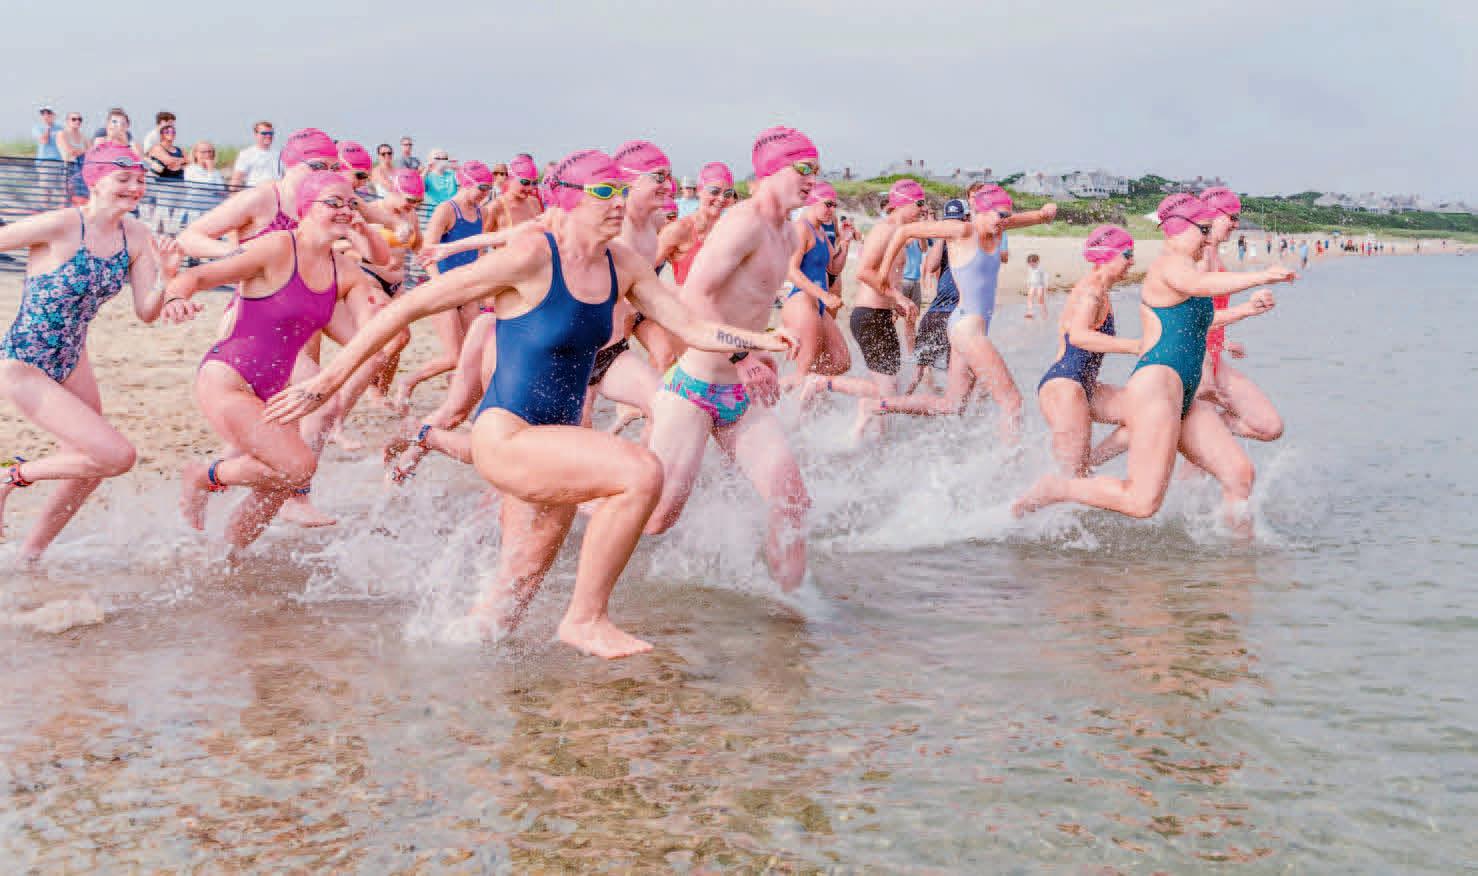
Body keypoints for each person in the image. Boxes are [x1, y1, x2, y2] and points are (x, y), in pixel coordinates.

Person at [265, 148, 792, 659]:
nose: (616, 202)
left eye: (620, 191)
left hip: (556, 442)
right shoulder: (532, 256)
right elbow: (408, 308)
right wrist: (326, 382)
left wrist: (757, 340)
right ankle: (585, 619)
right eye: (603, 192)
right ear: (568, 199)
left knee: (512, 594)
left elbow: (691, 326)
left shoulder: (623, 264)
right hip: (508, 436)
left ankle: (451, 671)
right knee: (640, 471)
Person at [1013, 194, 1295, 527]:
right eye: (1204, 230)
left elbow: (1198, 323)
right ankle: (1058, 487)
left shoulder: (1188, 269)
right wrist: (1263, 276)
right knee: (1141, 502)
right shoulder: (1169, 265)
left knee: (1239, 475)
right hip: (1157, 388)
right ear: (1179, 228)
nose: (1208, 238)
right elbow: (1198, 284)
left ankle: (1236, 556)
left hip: (1183, 393)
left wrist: (1247, 309)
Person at [644, 126, 819, 594]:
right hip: (695, 389)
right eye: (804, 168)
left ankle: (798, 610)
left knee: (792, 502)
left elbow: (746, 303)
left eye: (816, 171)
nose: (812, 179)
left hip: (740, 394)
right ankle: (572, 502)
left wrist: (758, 350)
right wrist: (742, 353)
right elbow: (694, 296)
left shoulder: (787, 233)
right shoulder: (743, 223)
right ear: (771, 170)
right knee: (656, 518)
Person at [166, 172, 376, 549]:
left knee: (279, 484)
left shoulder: (347, 272)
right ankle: (203, 475)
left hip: (277, 391)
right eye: (333, 202)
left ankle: (230, 556)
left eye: (351, 203)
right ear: (305, 208)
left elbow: (370, 334)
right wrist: (175, 298)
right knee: (299, 467)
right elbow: (196, 277)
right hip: (229, 378)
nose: (345, 210)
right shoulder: (277, 246)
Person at [0, 145, 176, 563]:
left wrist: (166, 279)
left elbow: (147, 312)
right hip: (25, 360)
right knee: (116, 456)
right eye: (123, 179)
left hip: (72, 358)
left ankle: (31, 555)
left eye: (140, 180)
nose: (134, 187)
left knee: (90, 464)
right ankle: (10, 476)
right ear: (94, 180)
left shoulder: (135, 235)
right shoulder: (63, 223)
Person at [852, 185, 1058, 442]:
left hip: (964, 325)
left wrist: (1047, 212)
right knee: (1012, 402)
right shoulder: (962, 230)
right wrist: (883, 274)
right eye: (1001, 215)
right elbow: (905, 231)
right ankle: (1009, 463)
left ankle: (875, 406)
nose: (1005, 221)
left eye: (1007, 216)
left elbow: (1038, 216)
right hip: (967, 330)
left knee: (952, 405)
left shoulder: (998, 225)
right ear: (980, 211)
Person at [1035, 226, 1140, 475]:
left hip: (1085, 386)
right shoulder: (1091, 291)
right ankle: (1020, 504)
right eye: (1127, 255)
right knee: (1071, 478)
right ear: (1107, 255)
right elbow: (1079, 335)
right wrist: (1135, 346)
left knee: (1146, 413)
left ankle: (1089, 463)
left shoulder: (1101, 289)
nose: (1132, 262)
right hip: (1065, 387)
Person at [394, 160, 497, 404]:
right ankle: (408, 382)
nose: (485, 194)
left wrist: (481, 288)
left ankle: (460, 399)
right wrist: (439, 284)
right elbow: (426, 253)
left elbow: (477, 252)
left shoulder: (482, 213)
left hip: (467, 289)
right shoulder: (446, 210)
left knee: (474, 353)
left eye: (489, 189)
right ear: (466, 183)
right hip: (443, 288)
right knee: (454, 357)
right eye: (482, 188)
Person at [845, 178, 925, 438]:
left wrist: (894, 303)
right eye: (919, 203)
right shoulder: (884, 230)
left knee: (891, 384)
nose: (923, 209)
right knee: (888, 389)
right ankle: (882, 441)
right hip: (869, 315)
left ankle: (864, 431)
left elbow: (887, 276)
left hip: (882, 314)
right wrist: (898, 297)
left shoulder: (901, 233)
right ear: (902, 203)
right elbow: (863, 272)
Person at [780, 180, 849, 385]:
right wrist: (824, 296)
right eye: (828, 204)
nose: (832, 210)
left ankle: (804, 390)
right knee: (806, 366)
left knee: (840, 361)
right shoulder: (801, 228)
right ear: (813, 201)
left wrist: (845, 242)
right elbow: (791, 271)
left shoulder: (820, 231)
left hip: (817, 303)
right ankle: (788, 392)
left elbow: (834, 268)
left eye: (834, 205)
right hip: (801, 302)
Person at [230, 121, 281, 189]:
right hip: (255, 192)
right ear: (256, 134)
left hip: (276, 192)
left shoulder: (279, 154)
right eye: (264, 133)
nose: (268, 136)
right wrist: (232, 193)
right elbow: (236, 180)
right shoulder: (246, 154)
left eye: (271, 133)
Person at [1025, 252, 1048, 319]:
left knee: (1040, 299)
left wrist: (1045, 285)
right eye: (1029, 263)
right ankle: (1030, 312)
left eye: (1033, 262)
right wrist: (1028, 283)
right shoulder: (1029, 268)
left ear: (1037, 262)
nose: (1031, 264)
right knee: (1029, 297)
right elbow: (1029, 276)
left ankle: (1044, 312)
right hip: (1032, 285)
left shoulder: (1040, 269)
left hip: (1039, 285)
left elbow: (1045, 276)